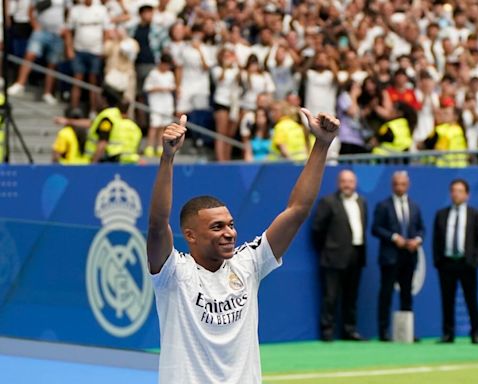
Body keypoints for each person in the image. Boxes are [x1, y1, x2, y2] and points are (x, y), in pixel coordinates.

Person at [146, 108, 340, 383]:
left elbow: (297, 210)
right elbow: (157, 223)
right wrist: (167, 158)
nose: (229, 233)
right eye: (217, 227)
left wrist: (321, 144)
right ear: (190, 235)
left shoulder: (248, 263)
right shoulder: (173, 274)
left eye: (230, 224)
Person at [312, 170, 367, 341]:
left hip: (356, 254)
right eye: (344, 181)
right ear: (338, 183)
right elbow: (317, 229)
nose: (347, 184)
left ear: (355, 183)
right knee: (331, 296)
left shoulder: (362, 202)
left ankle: (349, 330)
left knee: (351, 296)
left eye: (350, 181)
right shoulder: (328, 202)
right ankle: (327, 331)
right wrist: (329, 248)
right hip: (333, 257)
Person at [372, 171, 425, 342]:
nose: (399, 187)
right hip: (390, 257)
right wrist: (395, 238)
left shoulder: (415, 206)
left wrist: (416, 240)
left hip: (409, 256)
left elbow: (421, 229)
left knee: (406, 294)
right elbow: (376, 228)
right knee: (386, 294)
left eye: (402, 184)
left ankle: (406, 332)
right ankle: (384, 332)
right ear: (392, 185)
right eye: (396, 184)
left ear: (407, 185)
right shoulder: (383, 206)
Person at [433, 179, 478, 345]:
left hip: (467, 263)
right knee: (447, 300)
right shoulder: (441, 214)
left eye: (460, 191)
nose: (456, 194)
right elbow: (436, 240)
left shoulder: (475, 214)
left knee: (471, 299)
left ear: (467, 195)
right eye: (453, 191)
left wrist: (475, 262)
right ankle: (448, 333)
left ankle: (475, 333)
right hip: (447, 263)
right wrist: (438, 261)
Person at [142, 53, 175, 157]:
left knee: (163, 126)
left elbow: (173, 86)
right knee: (154, 125)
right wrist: (159, 88)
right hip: (156, 103)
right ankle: (149, 147)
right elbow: (147, 88)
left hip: (167, 103)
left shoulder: (170, 74)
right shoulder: (153, 74)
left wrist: (169, 89)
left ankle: (160, 147)